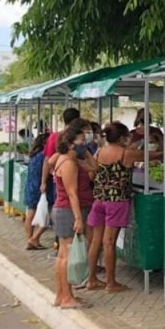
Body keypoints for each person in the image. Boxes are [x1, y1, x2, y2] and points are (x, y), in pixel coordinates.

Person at [81, 121, 144, 293]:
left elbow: (92, 175)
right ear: (122, 137)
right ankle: (111, 283)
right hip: (117, 201)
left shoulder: (99, 151)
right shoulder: (126, 153)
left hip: (99, 199)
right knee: (109, 242)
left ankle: (92, 280)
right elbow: (155, 155)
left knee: (96, 241)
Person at [50, 126, 93, 310]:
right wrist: (78, 219)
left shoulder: (68, 159)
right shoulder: (68, 163)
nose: (84, 143)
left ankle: (62, 295)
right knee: (67, 255)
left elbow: (94, 167)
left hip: (64, 210)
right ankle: (66, 297)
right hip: (68, 211)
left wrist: (85, 152)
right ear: (69, 144)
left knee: (63, 254)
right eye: (81, 141)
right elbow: (72, 194)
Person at [23, 133, 54, 250]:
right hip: (43, 188)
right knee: (47, 215)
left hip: (31, 186)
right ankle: (34, 238)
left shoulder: (34, 155)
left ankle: (30, 239)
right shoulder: (45, 156)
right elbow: (49, 170)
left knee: (30, 215)